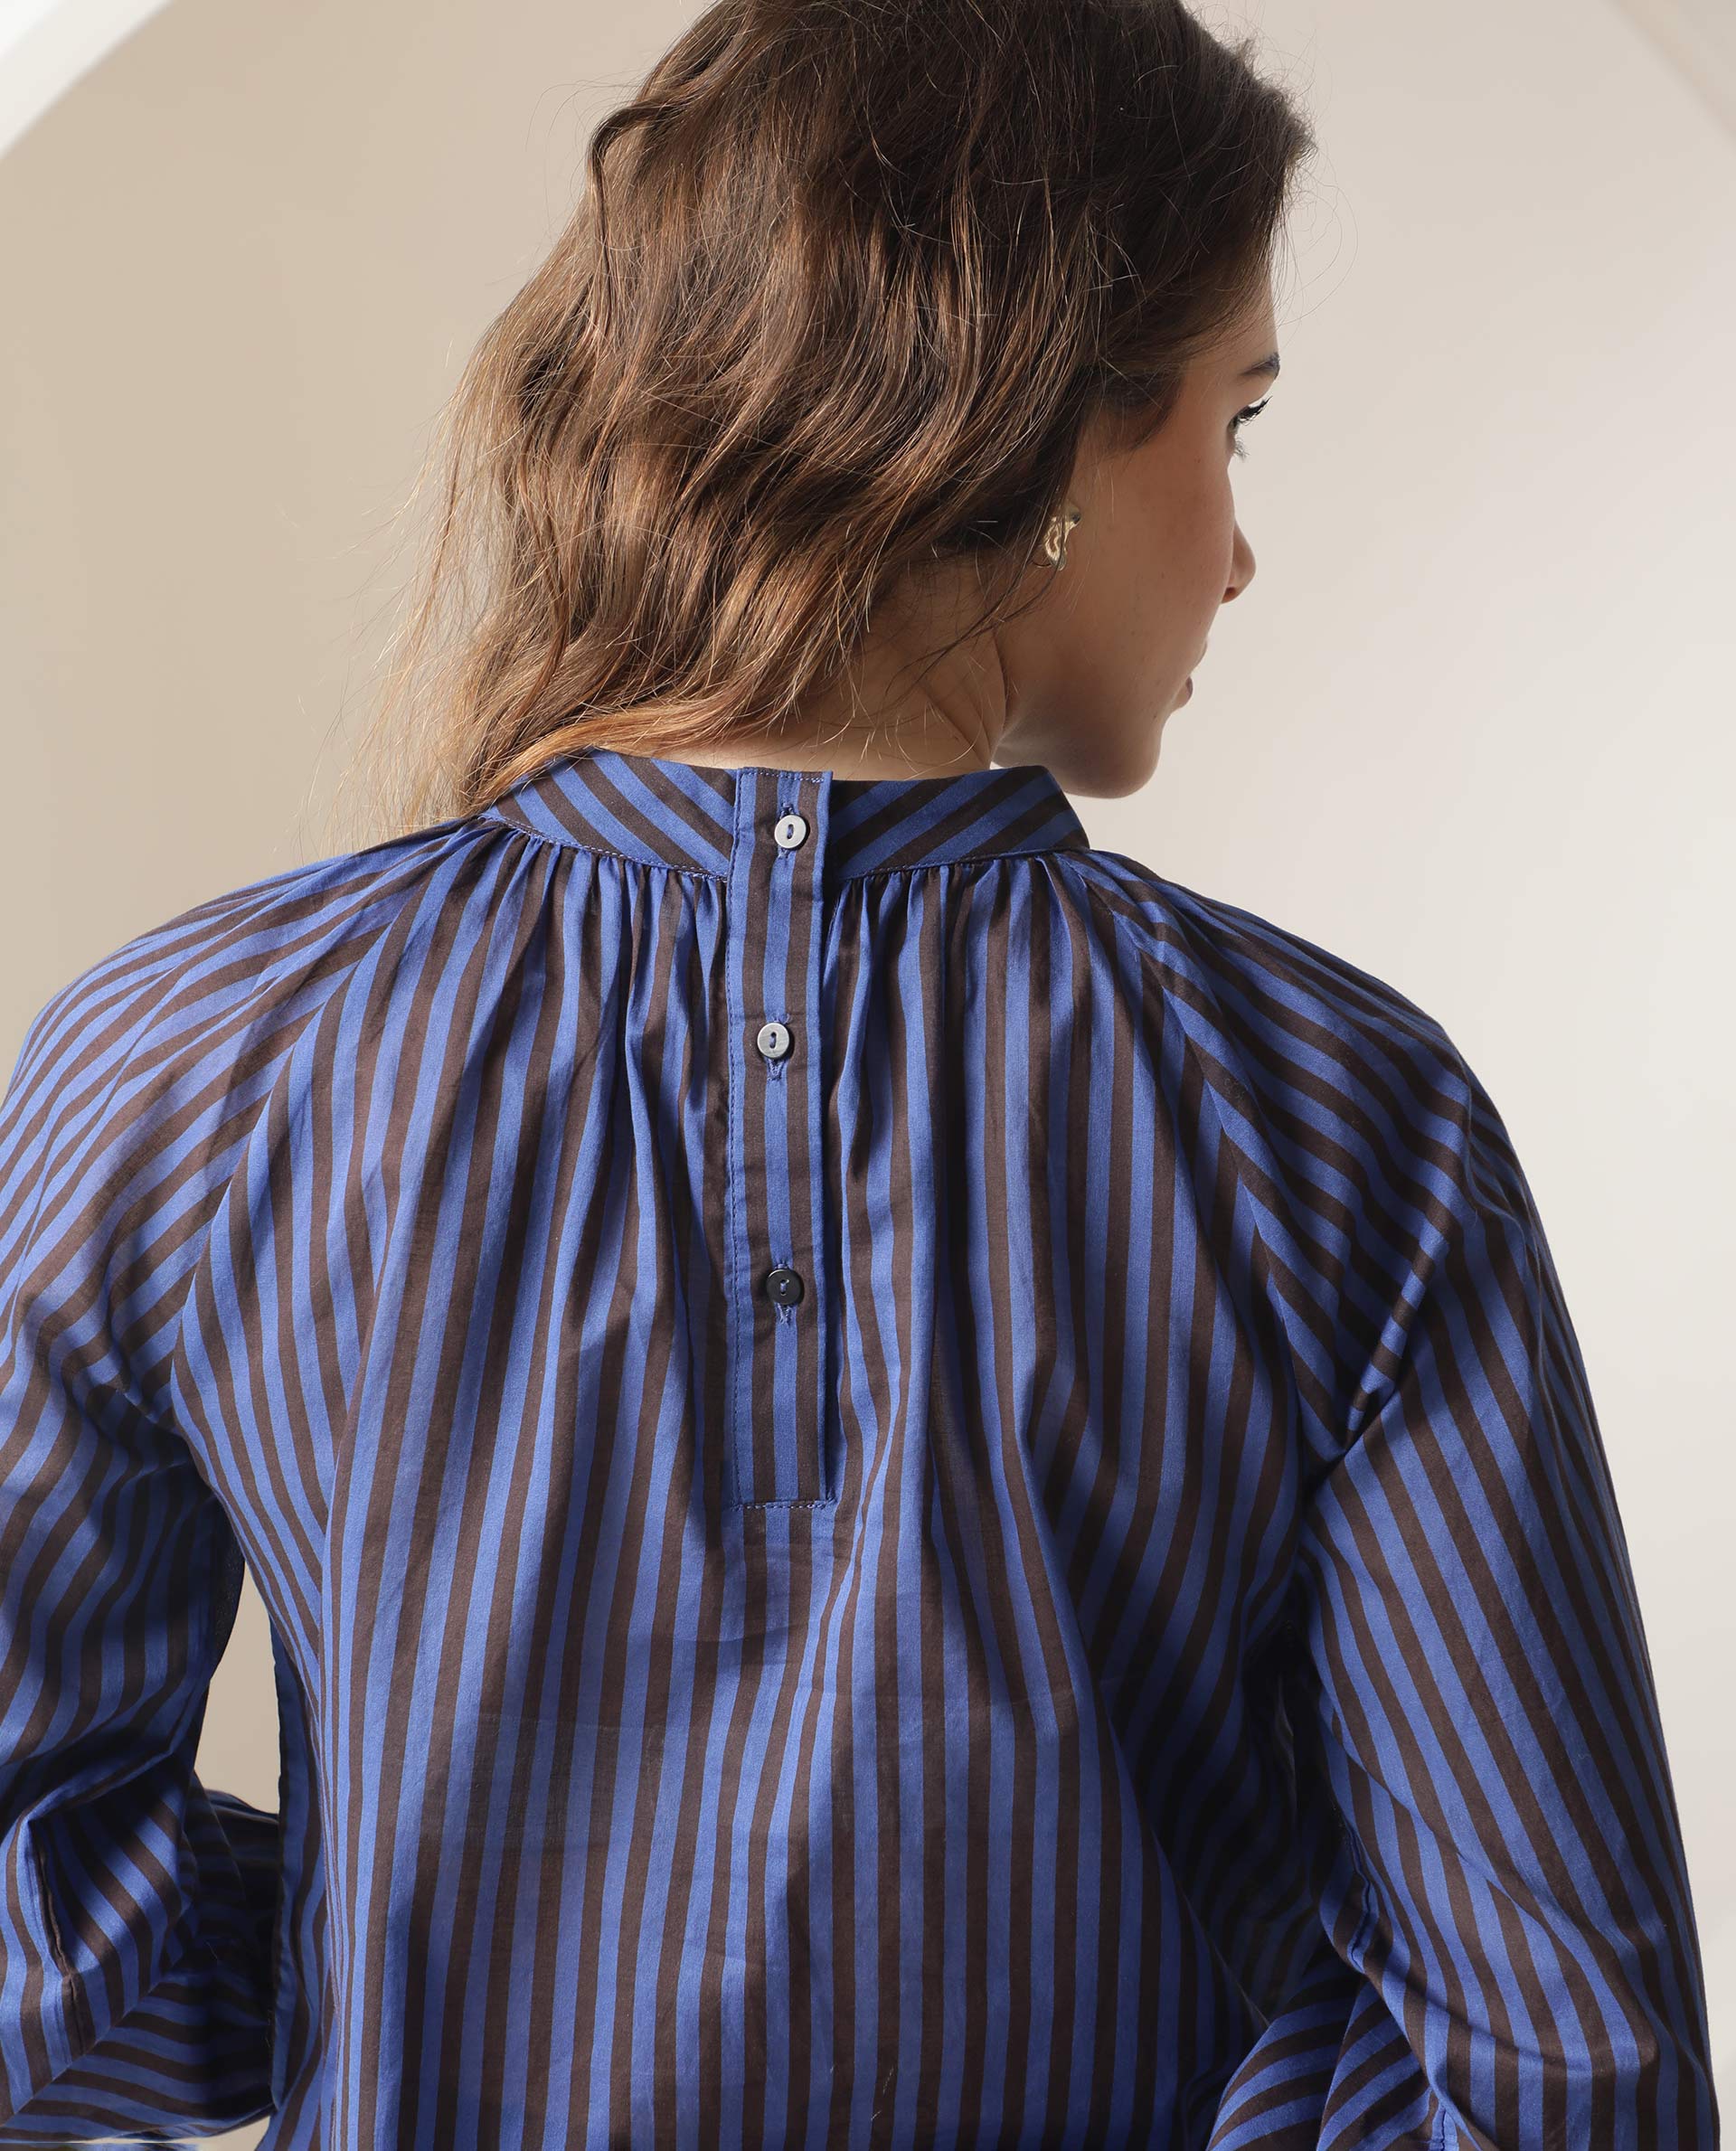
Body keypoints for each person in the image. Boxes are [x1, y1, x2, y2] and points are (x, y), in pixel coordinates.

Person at [0, 0, 1717, 2144]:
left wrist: (429, 1937)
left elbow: (23, 1959)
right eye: (1239, 419)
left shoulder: (186, 1065)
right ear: (1047, 425)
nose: (1238, 547)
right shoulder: (1336, 1118)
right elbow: (1558, 2078)